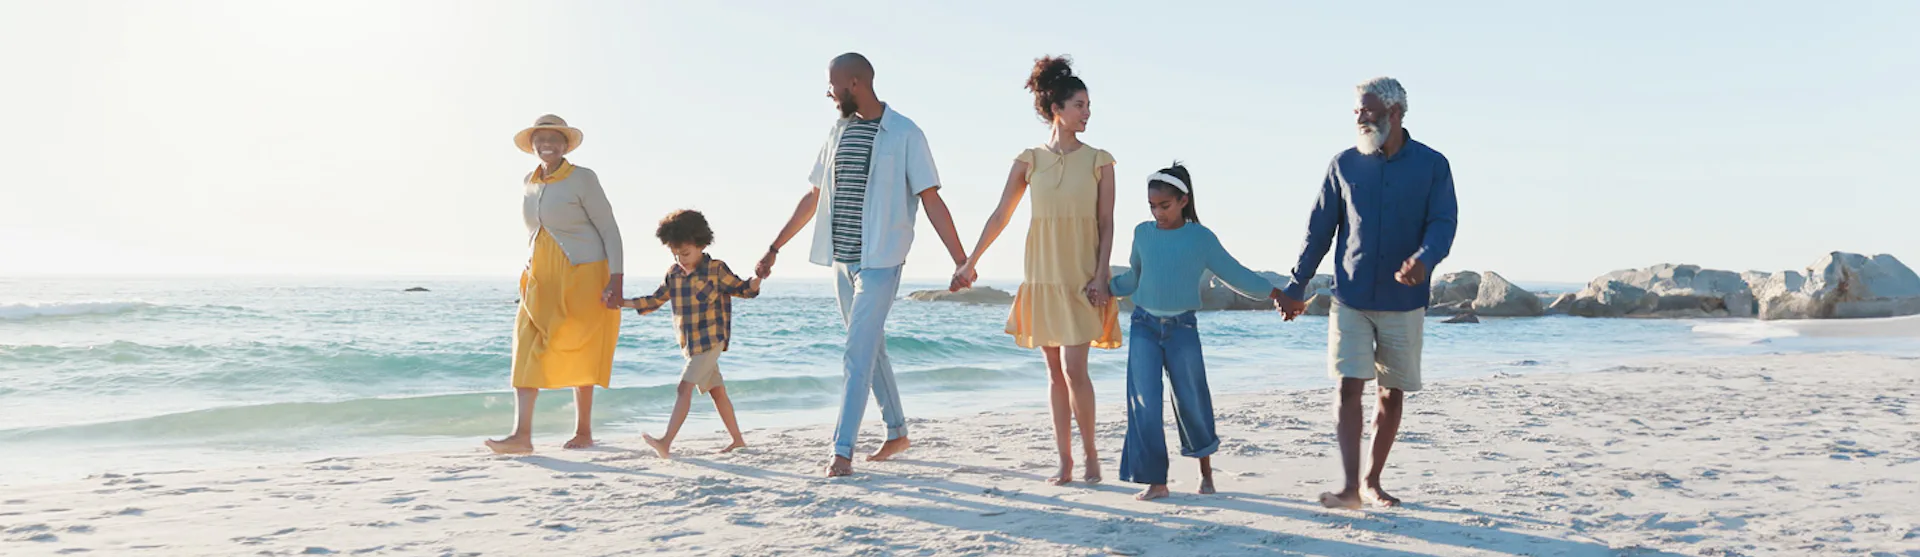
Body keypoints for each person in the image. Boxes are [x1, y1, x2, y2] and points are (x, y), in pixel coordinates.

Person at [755, 53, 972, 477]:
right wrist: (774, 247)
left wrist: (962, 260)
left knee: (856, 353)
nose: (829, 94)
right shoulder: (837, 132)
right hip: (842, 261)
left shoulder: (905, 133)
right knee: (872, 350)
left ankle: (842, 451)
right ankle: (897, 432)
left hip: (882, 261)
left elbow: (931, 200)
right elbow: (813, 197)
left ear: (854, 83)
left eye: (833, 85)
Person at [1273, 77, 1459, 509]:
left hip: (1404, 302)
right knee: (1347, 387)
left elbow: (1443, 223)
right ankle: (1350, 486)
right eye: (1356, 110)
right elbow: (1319, 228)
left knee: (1390, 392)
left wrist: (1425, 260)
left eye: (1367, 110)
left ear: (1394, 113)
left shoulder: (1433, 165)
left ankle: (1374, 480)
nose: (1359, 117)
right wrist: (1297, 284)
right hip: (1351, 297)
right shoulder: (1345, 165)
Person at [953, 55, 1120, 486]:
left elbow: (1106, 222)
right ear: (1056, 110)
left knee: (1075, 369)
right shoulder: (1029, 160)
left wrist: (1101, 275)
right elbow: (1000, 215)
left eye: (1088, 105)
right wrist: (971, 262)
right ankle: (1064, 460)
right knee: (1053, 372)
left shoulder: (1100, 160)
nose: (1087, 113)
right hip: (1042, 275)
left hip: (1081, 275)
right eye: (1080, 105)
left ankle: (1091, 455)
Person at [1109, 163, 1282, 501]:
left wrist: (1276, 294)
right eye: (1152, 206)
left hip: (1182, 329)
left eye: (1165, 205)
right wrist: (1105, 287)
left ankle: (1206, 474)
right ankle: (1156, 481)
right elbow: (1133, 278)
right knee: (1144, 402)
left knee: (1192, 401)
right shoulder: (1142, 233)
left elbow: (1236, 273)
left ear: (1183, 200)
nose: (1158, 213)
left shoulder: (1201, 238)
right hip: (1143, 326)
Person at [487, 114, 625, 455]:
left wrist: (617, 278)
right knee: (524, 346)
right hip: (539, 276)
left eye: (554, 139)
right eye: (540, 139)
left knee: (581, 344)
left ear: (565, 145)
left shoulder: (583, 178)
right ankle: (522, 436)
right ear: (532, 145)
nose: (547, 144)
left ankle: (584, 431)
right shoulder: (529, 181)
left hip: (584, 273)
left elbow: (609, 228)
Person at [623, 210, 761, 458]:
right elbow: (655, 300)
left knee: (683, 387)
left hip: (712, 340)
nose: (680, 259)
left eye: (685, 253)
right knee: (717, 391)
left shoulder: (715, 270)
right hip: (691, 345)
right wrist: (622, 303)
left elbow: (743, 289)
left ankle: (665, 442)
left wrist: (757, 279)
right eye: (675, 254)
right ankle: (738, 440)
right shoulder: (673, 274)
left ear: (701, 244)